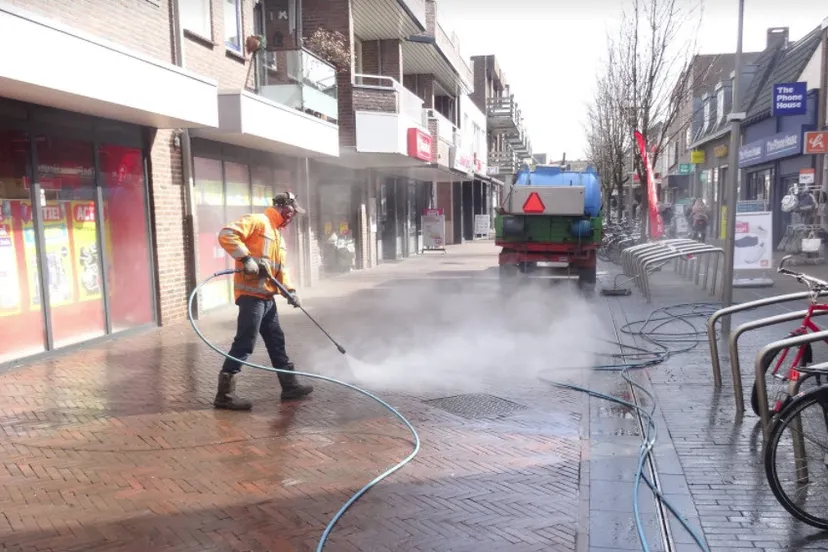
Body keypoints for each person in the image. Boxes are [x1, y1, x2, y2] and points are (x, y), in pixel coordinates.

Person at [214, 191, 313, 410]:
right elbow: (227, 234)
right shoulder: (258, 221)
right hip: (251, 297)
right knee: (245, 343)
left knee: (276, 340)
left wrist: (291, 291)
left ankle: (289, 386)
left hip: (267, 298)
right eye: (292, 212)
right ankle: (224, 395)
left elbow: (279, 271)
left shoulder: (277, 234)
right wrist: (246, 258)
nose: (292, 216)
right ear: (284, 207)